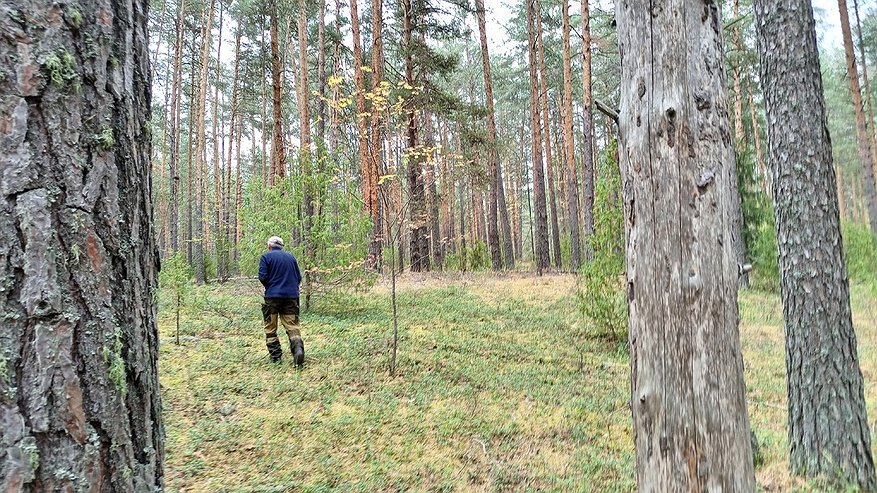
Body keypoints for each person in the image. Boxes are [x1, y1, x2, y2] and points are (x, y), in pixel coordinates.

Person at [258, 235, 304, 366]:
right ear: (281, 247)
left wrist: (271, 286)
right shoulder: (291, 257)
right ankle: (298, 351)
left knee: (270, 327)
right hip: (291, 297)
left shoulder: (266, 257)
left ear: (269, 246)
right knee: (292, 327)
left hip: (272, 297)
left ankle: (276, 357)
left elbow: (262, 277)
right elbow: (299, 277)